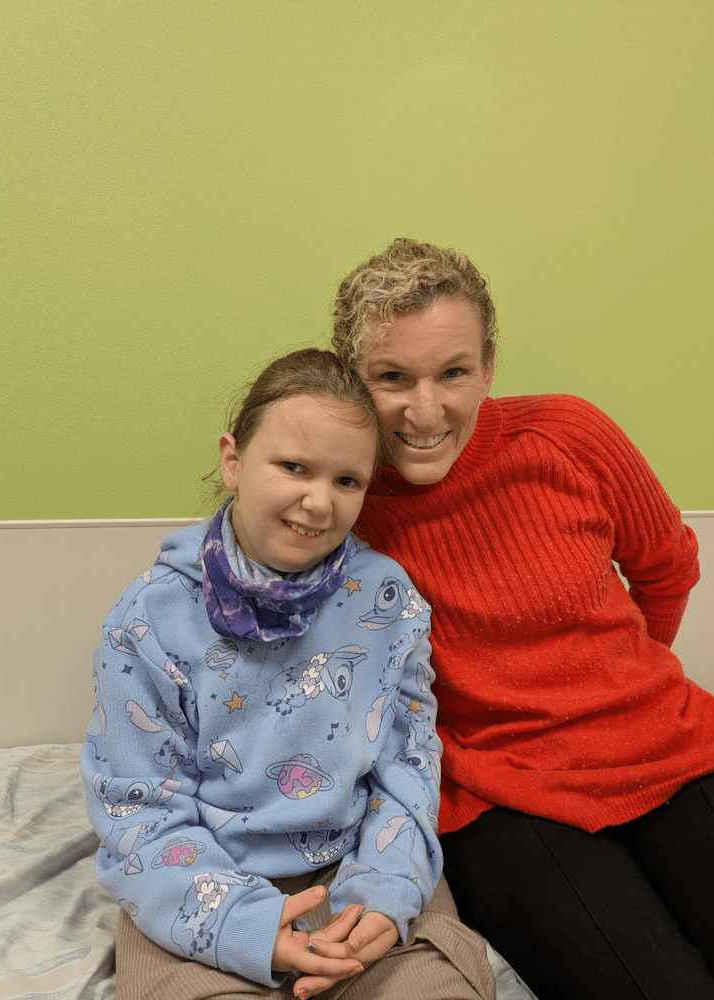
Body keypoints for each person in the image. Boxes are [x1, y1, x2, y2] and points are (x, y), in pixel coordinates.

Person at [331, 238, 714, 1000]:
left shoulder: (567, 436)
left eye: (453, 373)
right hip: (499, 797)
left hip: (669, 751)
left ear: (489, 368)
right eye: (392, 378)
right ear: (353, 379)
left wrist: (613, 681)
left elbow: (666, 565)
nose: (425, 409)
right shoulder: (337, 495)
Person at [81, 348, 495, 1000]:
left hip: (354, 869)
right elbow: (140, 810)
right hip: (200, 876)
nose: (318, 502)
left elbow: (409, 769)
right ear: (233, 460)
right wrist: (243, 924)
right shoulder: (149, 618)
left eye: (347, 481)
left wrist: (382, 894)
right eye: (293, 468)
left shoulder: (387, 603)